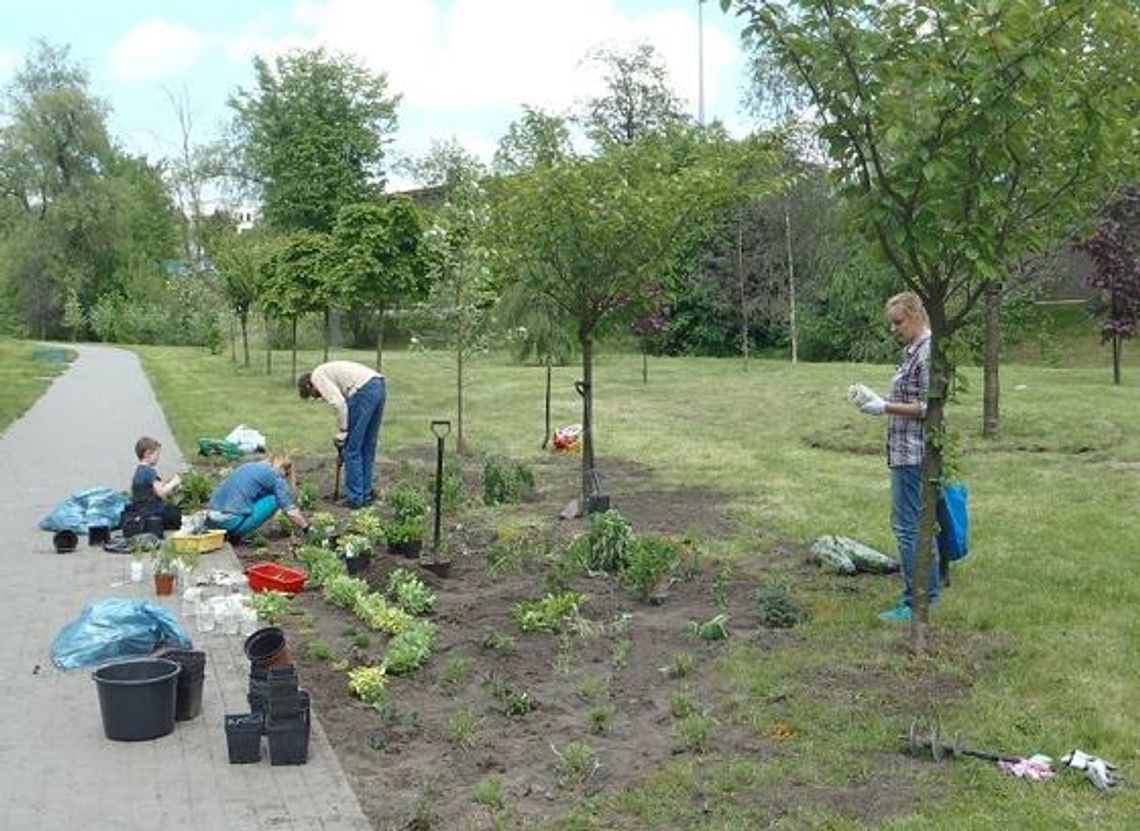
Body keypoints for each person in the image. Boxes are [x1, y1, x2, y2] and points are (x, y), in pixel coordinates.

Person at [850, 291, 939, 622]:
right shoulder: (913, 352)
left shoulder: (927, 353)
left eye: (898, 322)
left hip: (913, 454)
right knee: (916, 524)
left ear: (917, 315)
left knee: (908, 527)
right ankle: (926, 592)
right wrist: (880, 398)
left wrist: (884, 406)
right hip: (904, 450)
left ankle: (916, 602)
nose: (893, 329)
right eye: (891, 323)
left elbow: (930, 407)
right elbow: (912, 395)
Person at [297, 360, 386, 509]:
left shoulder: (317, 377)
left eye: (313, 395)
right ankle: (366, 492)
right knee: (367, 447)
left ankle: (355, 498)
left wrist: (343, 432)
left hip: (362, 391)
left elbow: (339, 404)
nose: (318, 397)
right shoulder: (326, 371)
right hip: (378, 385)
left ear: (309, 385)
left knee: (352, 449)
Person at [205, 456, 310, 542]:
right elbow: (291, 511)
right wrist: (306, 528)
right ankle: (234, 535)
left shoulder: (249, 466)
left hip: (211, 520)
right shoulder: (276, 476)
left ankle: (229, 532)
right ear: (284, 470)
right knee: (275, 499)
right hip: (230, 523)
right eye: (286, 475)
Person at [130, 436, 182, 530]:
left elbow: (155, 489)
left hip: (141, 511)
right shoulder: (149, 471)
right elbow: (161, 492)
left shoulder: (139, 471)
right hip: (152, 511)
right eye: (157, 454)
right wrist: (174, 483)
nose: (158, 458)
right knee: (174, 512)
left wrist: (167, 485)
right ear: (148, 454)